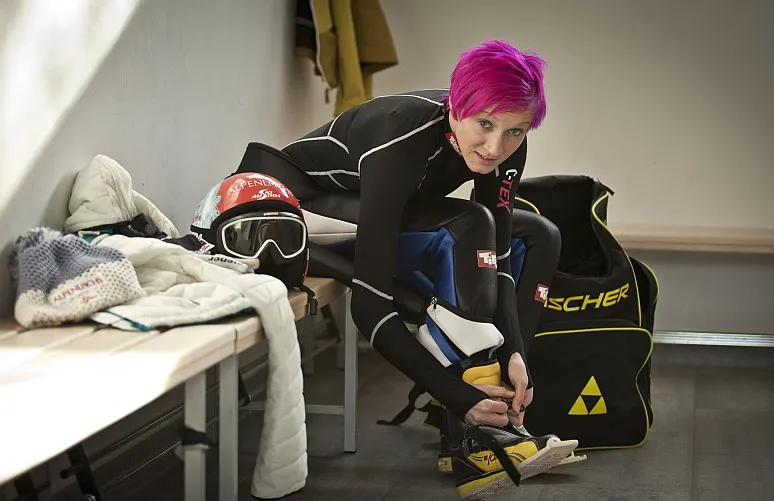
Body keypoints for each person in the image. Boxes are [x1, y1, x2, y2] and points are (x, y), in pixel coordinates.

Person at [233, 39, 582, 499]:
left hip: (367, 208)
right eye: (484, 124)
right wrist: (458, 397)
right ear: (456, 106)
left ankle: (494, 401)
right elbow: (370, 308)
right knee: (468, 224)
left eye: (514, 131)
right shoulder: (402, 136)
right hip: (286, 211)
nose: (496, 146)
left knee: (540, 235)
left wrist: (516, 351)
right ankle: (474, 433)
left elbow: (497, 258)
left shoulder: (508, 141)